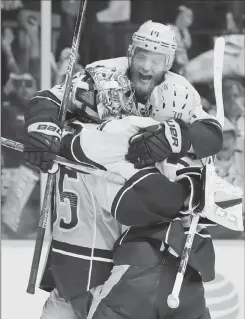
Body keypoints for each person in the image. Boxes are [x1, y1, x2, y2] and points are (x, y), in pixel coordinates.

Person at [23, 21, 224, 319]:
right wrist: (42, 128)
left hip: (129, 239)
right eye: (141, 56)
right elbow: (49, 99)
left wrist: (180, 137)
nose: (146, 67)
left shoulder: (179, 91)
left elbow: (211, 133)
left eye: (156, 60)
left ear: (168, 63)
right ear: (130, 53)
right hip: (106, 226)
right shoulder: (102, 77)